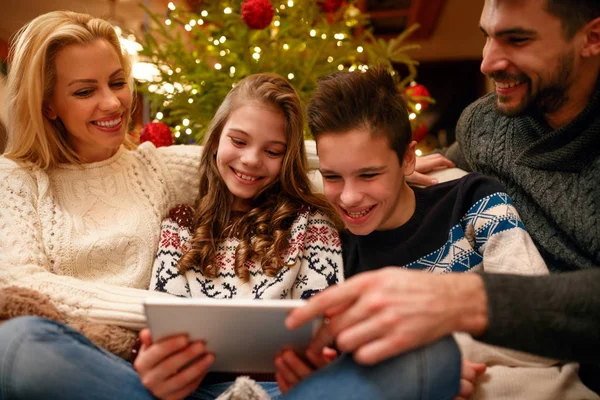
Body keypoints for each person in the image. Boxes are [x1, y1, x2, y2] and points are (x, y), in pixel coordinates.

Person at [288, 0, 600, 394]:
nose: (487, 62)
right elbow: (375, 153)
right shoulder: (485, 123)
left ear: (592, 38)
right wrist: (386, 176)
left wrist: (449, 322)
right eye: (485, 36)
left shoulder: (478, 202)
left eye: (517, 39)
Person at [0, 10, 204, 399]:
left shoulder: (155, 167)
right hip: (78, 358)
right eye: (84, 91)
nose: (112, 103)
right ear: (47, 104)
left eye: (117, 82)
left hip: (171, 359)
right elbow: (21, 284)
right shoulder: (15, 178)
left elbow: (263, 155)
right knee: (18, 344)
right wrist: (168, 313)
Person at [134, 73, 345, 399]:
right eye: (239, 141)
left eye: (273, 151)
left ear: (289, 158)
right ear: (217, 137)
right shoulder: (180, 223)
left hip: (283, 389)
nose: (251, 160)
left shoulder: (311, 223)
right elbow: (166, 324)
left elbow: (320, 331)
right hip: (195, 388)